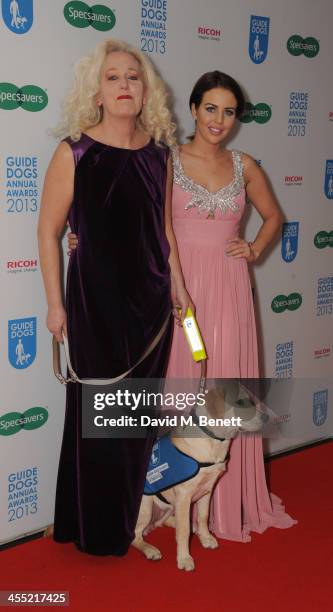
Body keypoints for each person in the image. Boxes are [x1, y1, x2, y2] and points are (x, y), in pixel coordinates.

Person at [67, 70, 297, 543]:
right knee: (175, 392)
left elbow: (275, 216)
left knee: (226, 390)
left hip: (230, 291)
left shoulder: (245, 165)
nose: (219, 120)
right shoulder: (163, 158)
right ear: (193, 110)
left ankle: (225, 502)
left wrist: (253, 248)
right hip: (175, 289)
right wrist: (83, 238)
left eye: (229, 111)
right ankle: (164, 500)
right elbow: (131, 220)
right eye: (210, 108)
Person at [38, 38, 191, 556]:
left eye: (132, 76)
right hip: (92, 304)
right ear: (97, 92)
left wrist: (179, 289)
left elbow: (164, 233)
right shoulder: (75, 150)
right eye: (113, 77)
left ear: (146, 90)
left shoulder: (159, 155)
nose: (124, 85)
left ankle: (125, 518)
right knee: (94, 416)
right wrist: (55, 304)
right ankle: (92, 527)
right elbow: (48, 230)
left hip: (150, 308)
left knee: (134, 420)